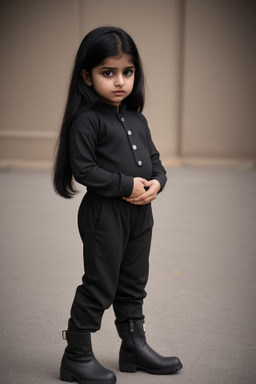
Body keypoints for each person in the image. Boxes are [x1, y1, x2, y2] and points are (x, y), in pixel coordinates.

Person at [53, 26, 182, 384]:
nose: (120, 81)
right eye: (107, 73)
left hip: (141, 214)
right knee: (100, 284)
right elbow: (85, 169)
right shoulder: (86, 121)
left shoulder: (137, 119)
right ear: (87, 75)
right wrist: (127, 185)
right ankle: (76, 355)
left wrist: (157, 183)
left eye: (128, 72)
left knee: (133, 282)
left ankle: (133, 345)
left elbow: (155, 161)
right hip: (104, 216)